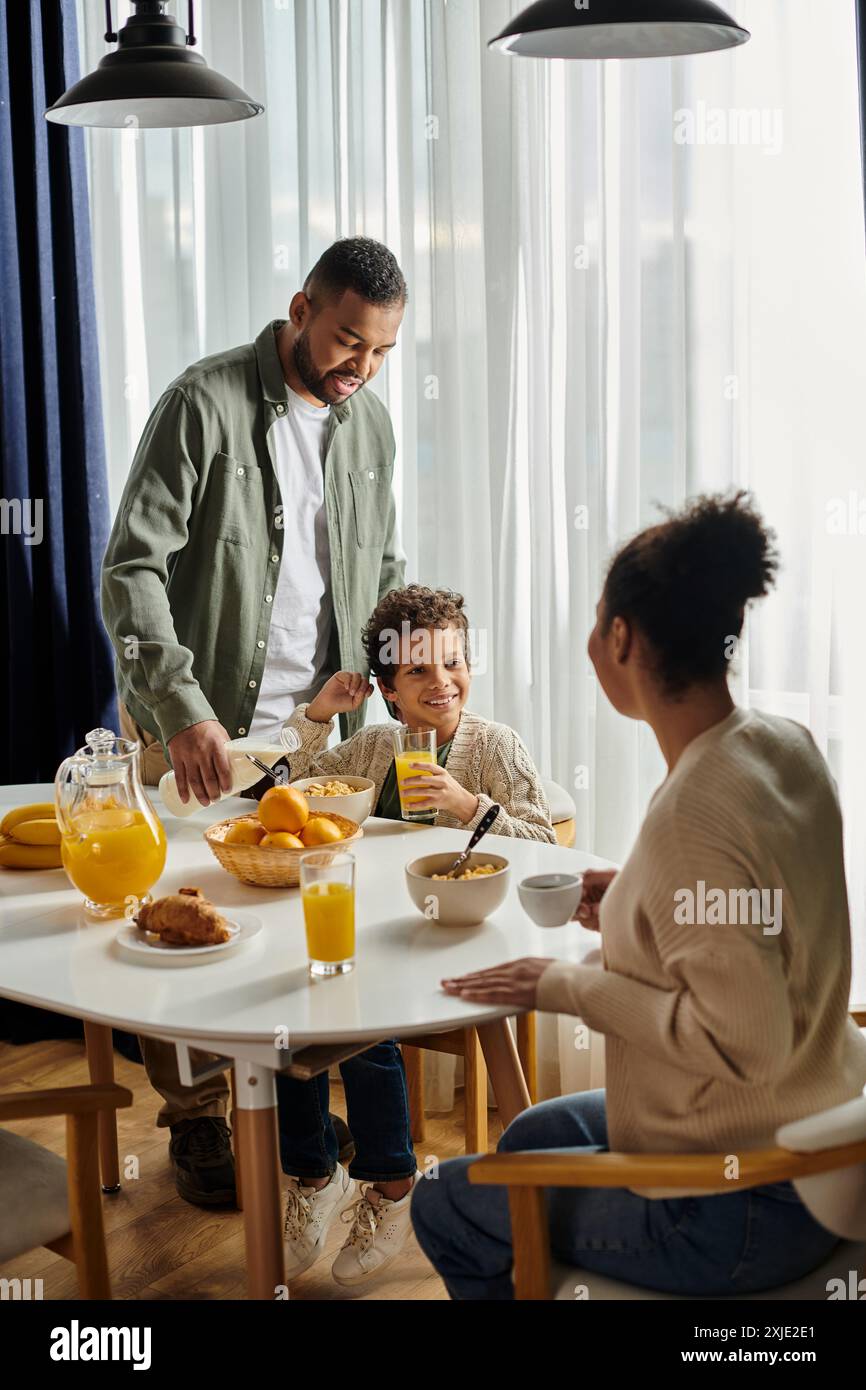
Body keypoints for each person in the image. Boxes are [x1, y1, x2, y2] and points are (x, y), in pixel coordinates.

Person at [411, 492, 866, 1299]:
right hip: (817, 1134)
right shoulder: (779, 745)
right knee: (529, 1134)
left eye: (596, 622)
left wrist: (565, 986)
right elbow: (764, 906)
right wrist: (639, 900)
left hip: (739, 1201)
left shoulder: (696, 808)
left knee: (445, 1203)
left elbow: (741, 1042)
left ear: (620, 637)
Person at [100, 238, 408, 1205]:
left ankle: (283, 1106)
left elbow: (382, 566)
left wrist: (398, 675)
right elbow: (132, 568)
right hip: (197, 720)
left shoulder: (372, 429)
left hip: (313, 729)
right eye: (347, 339)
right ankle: (196, 1120)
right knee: (183, 918)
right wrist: (182, 712)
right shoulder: (204, 403)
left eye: (382, 351)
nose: (360, 366)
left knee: (292, 912)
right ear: (300, 306)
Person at [274, 585, 555, 1289]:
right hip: (381, 932)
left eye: (453, 663)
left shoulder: (495, 747)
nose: (442, 682)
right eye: (419, 672)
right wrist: (317, 716)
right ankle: (314, 1174)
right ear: (389, 691)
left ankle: (393, 1184)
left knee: (358, 1010)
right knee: (290, 1004)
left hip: (463, 938)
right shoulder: (371, 746)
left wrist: (470, 808)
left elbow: (548, 848)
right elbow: (277, 793)